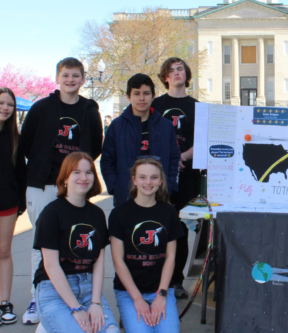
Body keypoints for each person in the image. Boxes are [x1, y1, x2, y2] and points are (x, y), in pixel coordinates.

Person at [18, 57, 103, 325]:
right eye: (66, 75)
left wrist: (76, 175)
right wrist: (44, 166)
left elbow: (96, 145)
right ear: (58, 78)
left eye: (76, 75)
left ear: (82, 79)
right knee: (42, 244)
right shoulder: (41, 108)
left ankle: (75, 296)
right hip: (42, 185)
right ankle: (38, 296)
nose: (70, 80)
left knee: (72, 241)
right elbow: (26, 143)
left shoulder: (89, 110)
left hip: (74, 186)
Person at [33, 152, 118, 333]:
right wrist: (75, 308)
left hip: (87, 287)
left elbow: (99, 262)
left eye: (88, 172)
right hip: (53, 289)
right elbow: (51, 266)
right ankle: (50, 323)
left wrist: (95, 303)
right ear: (65, 178)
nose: (84, 177)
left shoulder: (97, 214)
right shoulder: (51, 213)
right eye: (76, 172)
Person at [109, 157, 183, 332]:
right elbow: (118, 261)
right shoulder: (119, 214)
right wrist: (137, 299)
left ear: (161, 181)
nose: (148, 182)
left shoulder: (169, 212)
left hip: (161, 289)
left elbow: (170, 258)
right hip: (129, 291)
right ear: (134, 179)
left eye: (154, 177)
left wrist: (162, 295)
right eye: (142, 177)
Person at [151, 57, 201, 299]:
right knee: (158, 225)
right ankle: (155, 278)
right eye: (171, 70)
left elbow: (203, 141)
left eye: (180, 68)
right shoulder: (155, 104)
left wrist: (182, 156)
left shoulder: (197, 106)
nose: (177, 73)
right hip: (158, 175)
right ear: (165, 77)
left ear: (186, 73)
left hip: (187, 173)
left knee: (180, 229)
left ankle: (177, 280)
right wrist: (167, 161)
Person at [101, 74, 180, 207]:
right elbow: (107, 160)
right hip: (126, 197)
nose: (142, 98)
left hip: (160, 196)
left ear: (153, 96)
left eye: (146, 93)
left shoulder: (165, 126)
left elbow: (174, 159)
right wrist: (116, 187)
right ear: (128, 96)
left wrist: (170, 185)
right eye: (136, 93)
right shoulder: (117, 126)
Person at [0, 87, 26, 326]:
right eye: (1, 103)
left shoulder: (14, 138)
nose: (5, 108)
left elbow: (20, 172)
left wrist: (21, 203)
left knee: (4, 251)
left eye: (9, 104)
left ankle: (4, 302)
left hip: (7, 203)